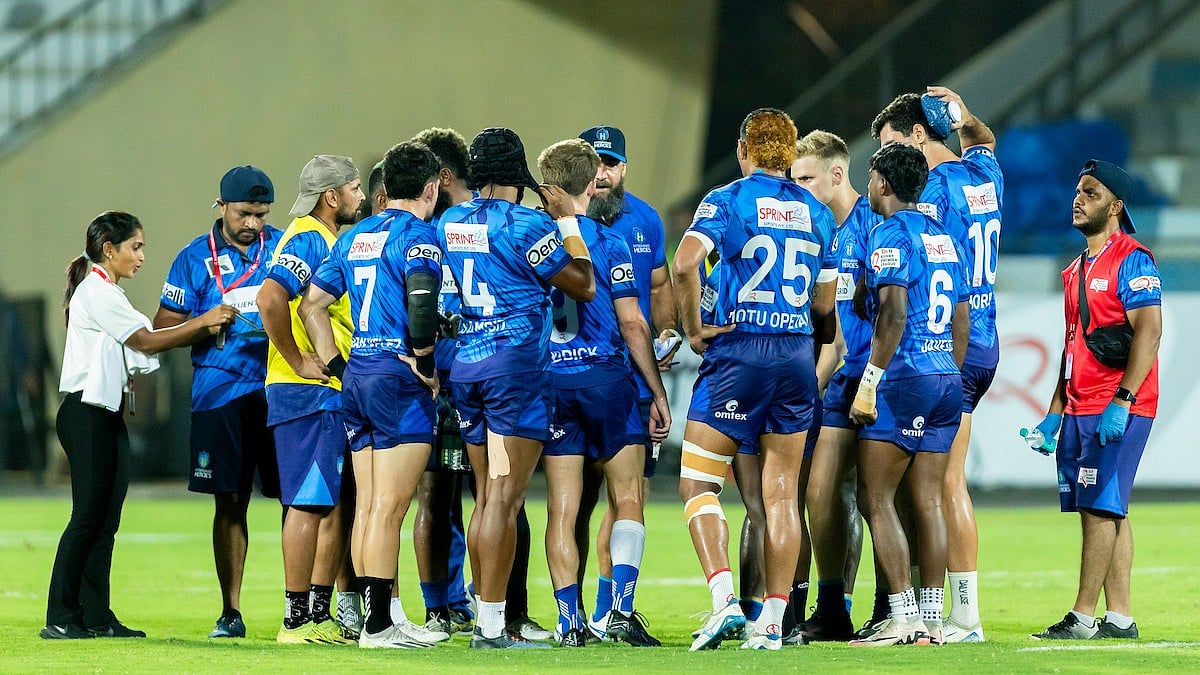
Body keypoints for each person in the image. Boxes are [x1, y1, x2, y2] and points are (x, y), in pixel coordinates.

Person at [673, 108, 837, 651]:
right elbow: (823, 302)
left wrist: (695, 329)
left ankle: (724, 602)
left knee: (698, 481)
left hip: (741, 350)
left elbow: (684, 264)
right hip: (795, 356)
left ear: (745, 149)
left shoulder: (728, 199)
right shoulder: (817, 211)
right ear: (790, 157)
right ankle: (772, 621)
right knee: (782, 493)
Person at [437, 127, 595, 649]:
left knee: (486, 497)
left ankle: (486, 619)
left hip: (467, 369)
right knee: (504, 500)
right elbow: (583, 283)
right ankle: (490, 626)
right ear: (519, 180)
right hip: (514, 374)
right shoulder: (528, 224)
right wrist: (567, 219)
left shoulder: (451, 221)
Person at [43, 211, 235, 640]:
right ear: (109, 250)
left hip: (104, 414)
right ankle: (59, 614)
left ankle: (95, 615)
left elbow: (146, 345)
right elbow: (146, 341)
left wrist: (197, 327)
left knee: (105, 518)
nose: (142, 256)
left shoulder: (108, 291)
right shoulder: (97, 291)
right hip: (85, 413)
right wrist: (203, 322)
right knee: (88, 517)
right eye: (136, 246)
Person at [301, 141, 448, 648]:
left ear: (385, 189)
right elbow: (423, 307)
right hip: (396, 379)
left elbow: (312, 305)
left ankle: (378, 618)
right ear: (432, 187)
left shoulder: (354, 235)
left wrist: (339, 365)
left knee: (368, 506)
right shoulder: (420, 237)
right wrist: (426, 364)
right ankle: (381, 627)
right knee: (387, 508)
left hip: (359, 375)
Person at [871, 86, 1002, 641]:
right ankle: (938, 610)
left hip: (949, 340)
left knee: (942, 484)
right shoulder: (983, 173)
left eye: (895, 144)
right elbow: (985, 139)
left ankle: (961, 614)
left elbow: (930, 272)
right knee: (937, 482)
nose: (888, 160)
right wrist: (966, 114)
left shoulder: (933, 192)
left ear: (919, 136)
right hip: (986, 335)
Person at [537, 138, 671, 647]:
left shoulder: (534, 240)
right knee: (628, 495)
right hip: (606, 381)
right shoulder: (609, 242)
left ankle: (569, 623)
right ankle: (619, 611)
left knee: (563, 509)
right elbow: (634, 325)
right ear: (591, 184)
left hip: (553, 385)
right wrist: (656, 391)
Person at [1028, 160, 1161, 641]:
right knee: (1105, 507)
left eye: (1091, 192)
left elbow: (1150, 330)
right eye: (1077, 190)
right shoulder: (1074, 271)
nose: (1078, 198)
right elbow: (1071, 347)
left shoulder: (1134, 259)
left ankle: (1083, 617)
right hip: (1082, 407)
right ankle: (1120, 618)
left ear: (1115, 206)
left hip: (1121, 406)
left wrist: (1124, 398)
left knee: (1101, 507)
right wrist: (1053, 412)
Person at [846, 142, 970, 647]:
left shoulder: (889, 232)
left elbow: (893, 316)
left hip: (904, 377)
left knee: (874, 497)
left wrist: (868, 385)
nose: (870, 184)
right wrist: (949, 377)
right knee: (929, 502)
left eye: (873, 175)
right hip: (944, 378)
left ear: (884, 182)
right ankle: (934, 622)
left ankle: (902, 616)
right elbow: (961, 319)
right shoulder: (943, 236)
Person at [154, 165, 282, 639]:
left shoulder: (286, 246)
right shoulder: (193, 258)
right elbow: (161, 329)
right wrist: (202, 323)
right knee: (229, 501)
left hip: (280, 390)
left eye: (261, 214)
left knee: (300, 500)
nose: (253, 223)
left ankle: (304, 609)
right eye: (245, 213)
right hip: (219, 392)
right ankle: (231, 611)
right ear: (222, 206)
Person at [256, 155, 364, 644]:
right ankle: (295, 620)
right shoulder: (308, 236)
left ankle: (317, 615)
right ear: (333, 196)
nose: (362, 198)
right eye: (356, 189)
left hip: (325, 390)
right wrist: (298, 358)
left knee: (329, 504)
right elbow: (270, 298)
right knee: (307, 503)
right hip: (306, 391)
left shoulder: (324, 237)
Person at [576, 125, 678, 638]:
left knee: (624, 495)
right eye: (593, 162)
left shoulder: (646, 219)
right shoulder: (557, 222)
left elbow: (659, 284)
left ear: (624, 168)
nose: (602, 172)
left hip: (631, 378)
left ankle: (604, 611)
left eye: (610, 163)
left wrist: (666, 329)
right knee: (579, 502)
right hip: (580, 376)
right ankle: (590, 613)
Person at [791, 131, 880, 641]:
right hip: (833, 381)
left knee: (874, 498)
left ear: (837, 174)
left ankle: (893, 606)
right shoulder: (817, 230)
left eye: (807, 177)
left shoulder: (873, 225)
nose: (799, 187)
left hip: (872, 378)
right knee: (825, 491)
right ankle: (833, 607)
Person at [408, 127, 477, 638]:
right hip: (461, 377)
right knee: (454, 494)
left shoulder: (438, 229)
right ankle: (454, 602)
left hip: (451, 377)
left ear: (442, 176)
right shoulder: (433, 231)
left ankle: (448, 603)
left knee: (445, 496)